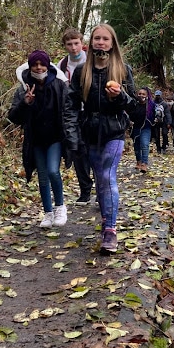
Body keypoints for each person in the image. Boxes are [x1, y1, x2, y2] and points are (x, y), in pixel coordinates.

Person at [65, 24, 136, 254]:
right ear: (91, 42)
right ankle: (107, 220)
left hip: (115, 130)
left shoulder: (123, 70)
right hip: (90, 131)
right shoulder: (81, 72)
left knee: (107, 175)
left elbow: (135, 106)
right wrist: (72, 136)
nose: (101, 42)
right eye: (97, 38)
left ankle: (111, 230)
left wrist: (119, 97)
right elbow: (71, 106)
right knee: (100, 180)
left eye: (105, 39)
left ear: (112, 43)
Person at [9, 50, 70, 228]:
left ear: (48, 65)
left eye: (42, 64)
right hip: (35, 139)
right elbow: (13, 116)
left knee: (53, 171)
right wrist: (25, 103)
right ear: (30, 66)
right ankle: (48, 213)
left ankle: (60, 207)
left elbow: (69, 109)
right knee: (42, 177)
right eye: (35, 64)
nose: (38, 67)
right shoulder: (23, 88)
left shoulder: (59, 85)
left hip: (55, 138)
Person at [57, 29, 93, 205]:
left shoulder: (92, 60)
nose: (73, 47)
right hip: (73, 113)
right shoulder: (61, 65)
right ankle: (85, 191)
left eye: (76, 43)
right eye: (69, 44)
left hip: (92, 111)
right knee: (78, 151)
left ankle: (102, 189)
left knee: (95, 151)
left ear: (82, 42)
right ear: (65, 46)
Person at [128, 87, 155, 172]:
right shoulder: (134, 104)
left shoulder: (151, 105)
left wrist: (158, 117)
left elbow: (157, 113)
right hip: (135, 128)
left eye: (143, 94)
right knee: (136, 146)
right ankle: (138, 162)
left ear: (147, 95)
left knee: (145, 144)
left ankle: (144, 163)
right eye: (139, 94)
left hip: (146, 128)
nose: (141, 95)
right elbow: (129, 115)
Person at [152, 89, 172, 154]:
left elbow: (167, 113)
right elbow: (151, 113)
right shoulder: (152, 103)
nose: (157, 96)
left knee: (164, 134)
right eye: (157, 95)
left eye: (158, 95)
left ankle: (164, 147)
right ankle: (158, 148)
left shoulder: (164, 104)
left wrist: (169, 122)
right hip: (156, 121)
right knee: (157, 135)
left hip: (164, 121)